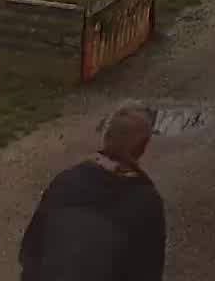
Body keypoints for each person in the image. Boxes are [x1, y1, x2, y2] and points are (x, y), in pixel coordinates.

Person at [16, 105, 165, 281]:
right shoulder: (147, 203)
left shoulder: (65, 182)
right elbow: (148, 273)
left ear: (105, 137)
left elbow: (29, 250)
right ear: (142, 148)